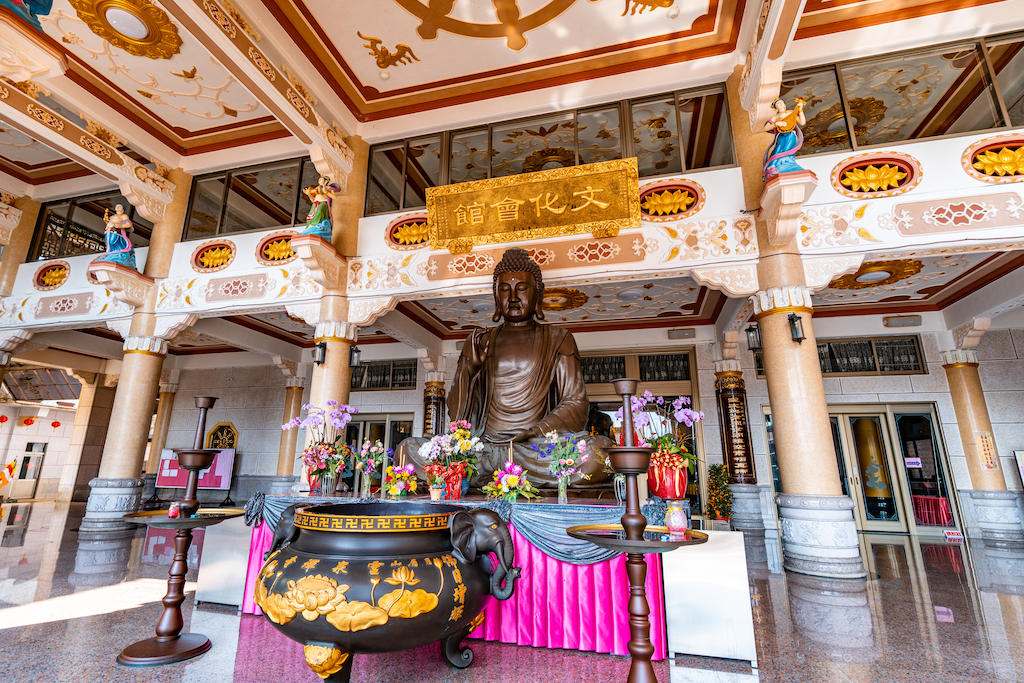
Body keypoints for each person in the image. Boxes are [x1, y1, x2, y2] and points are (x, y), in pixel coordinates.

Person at [397, 248, 611, 487]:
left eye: (522, 288)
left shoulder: (558, 338)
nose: (513, 298)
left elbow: (576, 403)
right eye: (505, 290)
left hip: (532, 449)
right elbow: (457, 417)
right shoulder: (479, 341)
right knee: (407, 449)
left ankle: (478, 476)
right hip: (482, 449)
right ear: (495, 295)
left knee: (600, 452)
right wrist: (469, 372)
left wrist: (535, 431)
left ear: (538, 293)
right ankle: (493, 474)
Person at [762, 97, 807, 180]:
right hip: (782, 134)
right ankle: (774, 165)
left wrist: (800, 109)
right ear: (775, 109)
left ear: (785, 105)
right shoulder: (776, 117)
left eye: (782, 102)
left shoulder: (791, 112)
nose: (781, 104)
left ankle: (788, 163)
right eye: (778, 103)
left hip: (791, 134)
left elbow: (802, 122)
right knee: (779, 147)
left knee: (788, 148)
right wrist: (776, 124)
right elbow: (766, 128)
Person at [91, 204, 137, 270]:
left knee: (113, 242)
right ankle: (111, 254)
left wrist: (120, 226)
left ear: (123, 209)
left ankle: (118, 254)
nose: (117, 207)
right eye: (116, 206)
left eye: (119, 206)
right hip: (108, 231)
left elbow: (128, 224)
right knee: (108, 244)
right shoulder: (112, 216)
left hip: (115, 231)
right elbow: (108, 222)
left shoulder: (123, 216)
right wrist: (106, 220)